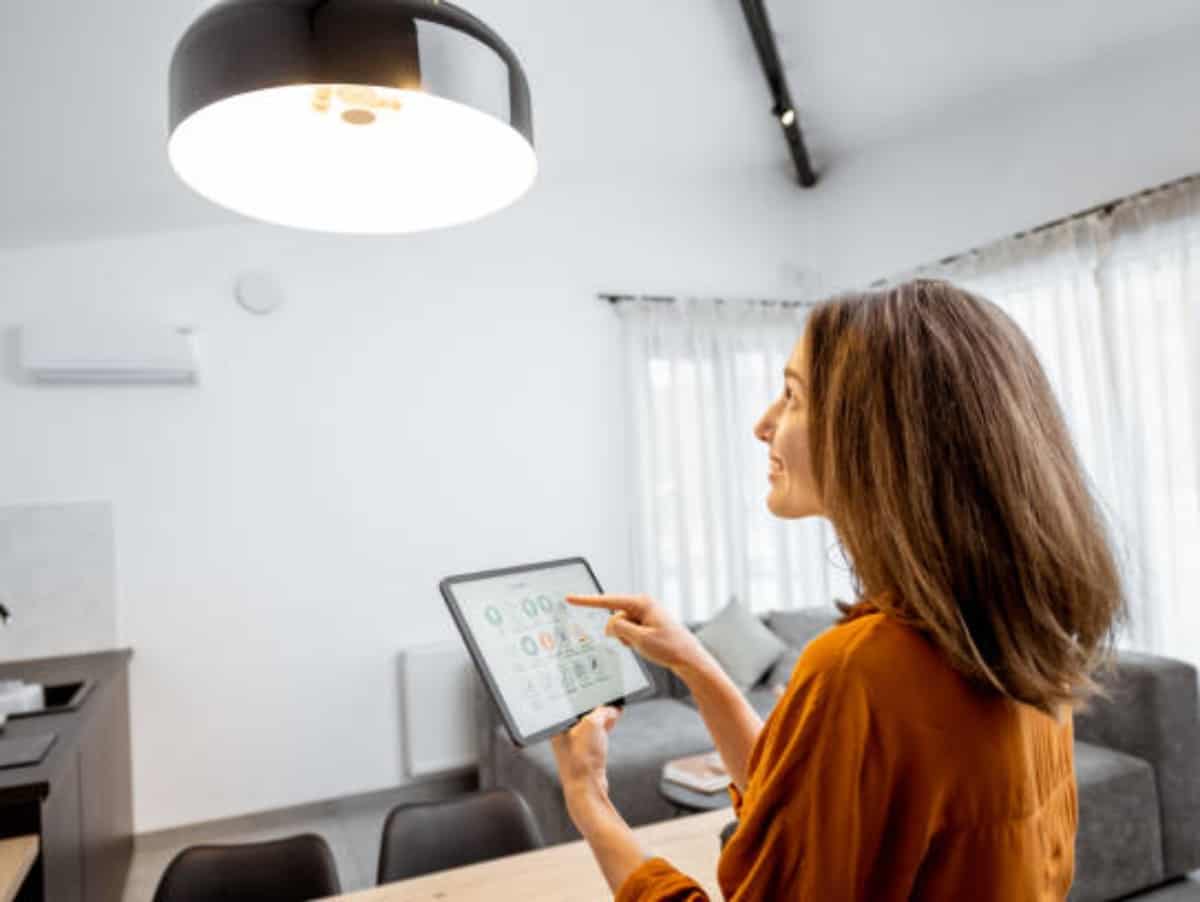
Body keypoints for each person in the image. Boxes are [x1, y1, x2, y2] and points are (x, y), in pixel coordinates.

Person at [551, 279, 1124, 900]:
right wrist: (694, 662)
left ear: (877, 432)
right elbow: (810, 813)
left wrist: (590, 801)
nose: (762, 424)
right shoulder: (1019, 639)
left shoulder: (862, 670)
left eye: (792, 395)